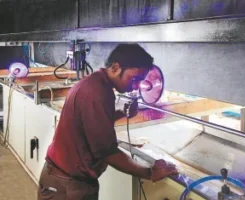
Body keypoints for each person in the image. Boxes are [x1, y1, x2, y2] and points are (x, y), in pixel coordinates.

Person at [37, 43, 179, 200]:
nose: (136, 86)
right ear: (116, 68)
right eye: (134, 78)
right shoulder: (97, 94)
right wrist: (150, 172)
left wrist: (119, 113)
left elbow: (91, 123)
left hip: (62, 176)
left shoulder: (95, 83)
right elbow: (108, 152)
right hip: (67, 185)